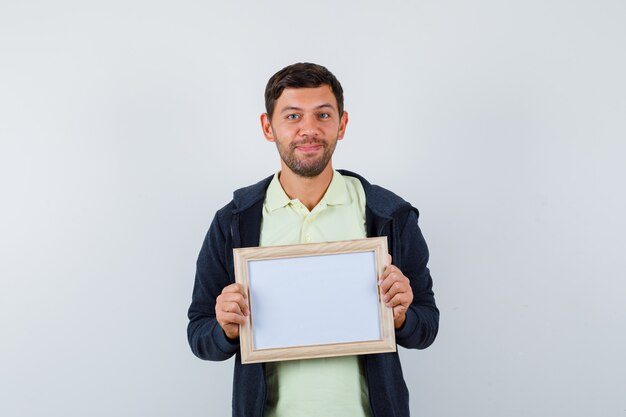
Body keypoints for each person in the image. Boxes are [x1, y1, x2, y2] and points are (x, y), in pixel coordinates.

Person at [187, 62, 439, 417]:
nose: (309, 129)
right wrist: (224, 328)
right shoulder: (233, 221)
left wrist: (401, 317)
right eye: (292, 116)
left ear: (342, 123)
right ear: (267, 127)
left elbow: (426, 326)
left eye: (323, 114)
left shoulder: (389, 216)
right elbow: (200, 334)